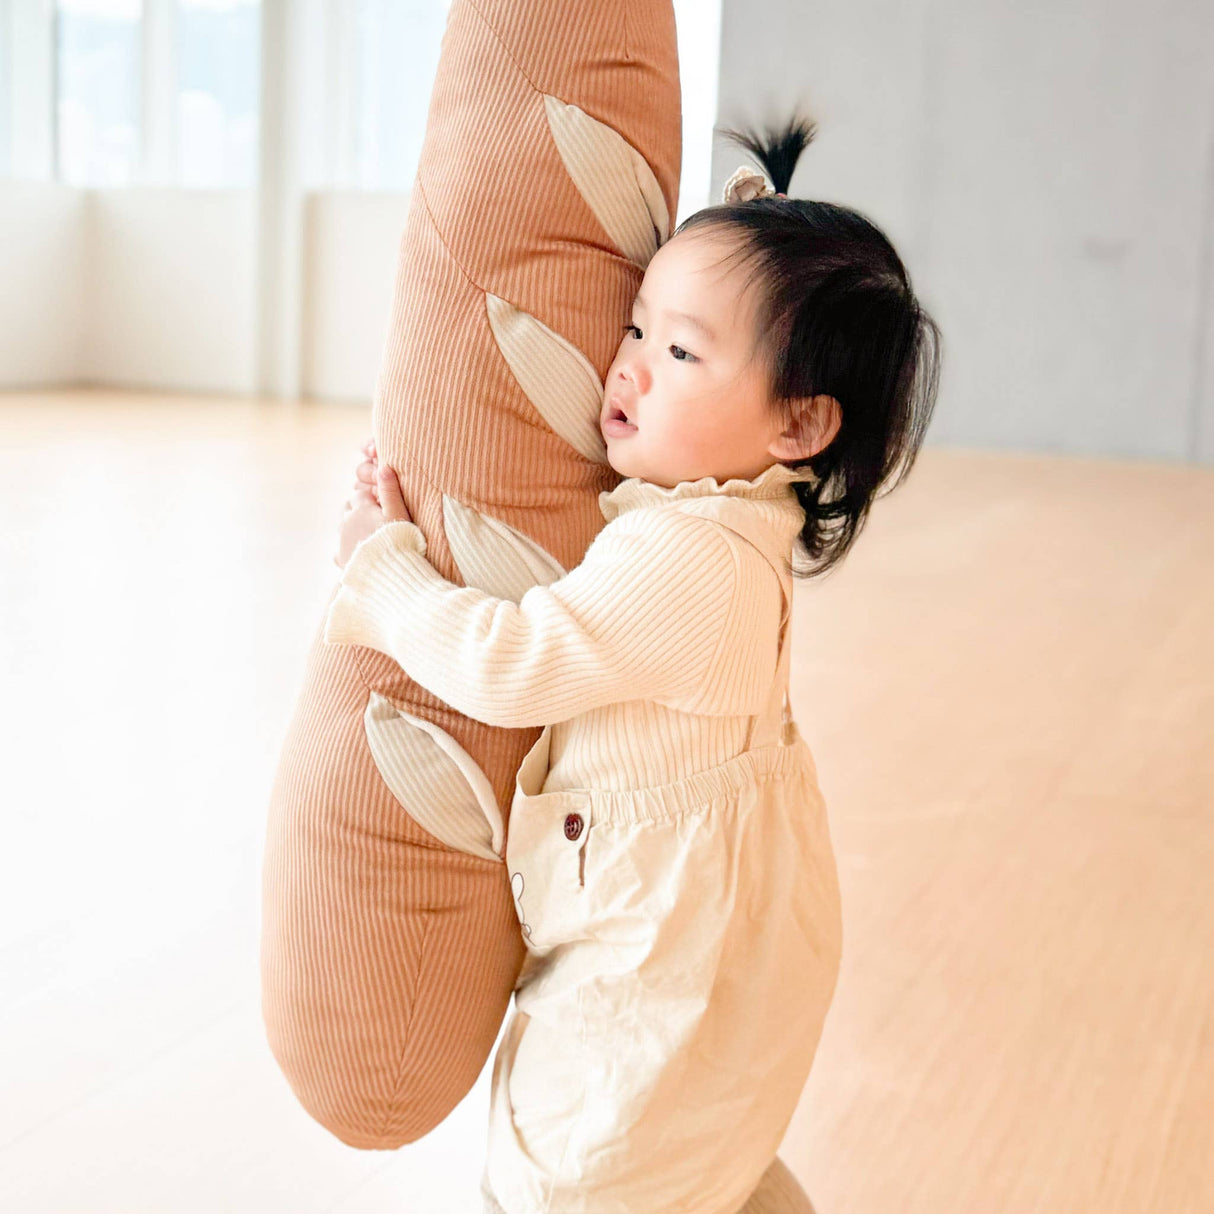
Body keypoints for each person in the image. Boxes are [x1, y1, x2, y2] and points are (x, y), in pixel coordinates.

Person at [328, 118, 941, 1214]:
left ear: (797, 422)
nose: (627, 362)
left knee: (574, 1180)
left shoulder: (685, 561)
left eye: (681, 351)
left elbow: (512, 663)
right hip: (719, 979)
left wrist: (385, 579)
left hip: (654, 984)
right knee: (703, 1169)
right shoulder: (732, 527)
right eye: (635, 324)